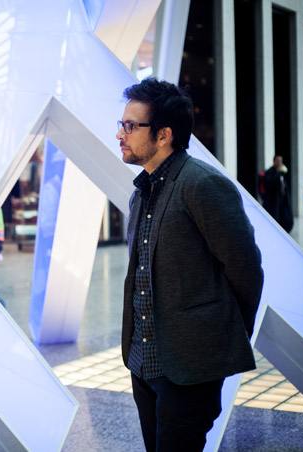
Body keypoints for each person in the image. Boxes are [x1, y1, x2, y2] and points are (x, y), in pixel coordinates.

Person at [116, 78, 263, 452]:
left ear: (164, 134)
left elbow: (246, 270)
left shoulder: (202, 185)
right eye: (122, 124)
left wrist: (215, 340)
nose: (121, 134)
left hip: (190, 368)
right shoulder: (141, 193)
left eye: (131, 126)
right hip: (143, 363)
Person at [262, 155, 293, 233]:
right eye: (278, 161)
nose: (280, 163)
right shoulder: (270, 172)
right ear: (274, 162)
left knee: (287, 219)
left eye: (281, 161)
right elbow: (268, 183)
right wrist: (278, 173)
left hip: (283, 201)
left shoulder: (283, 173)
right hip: (274, 202)